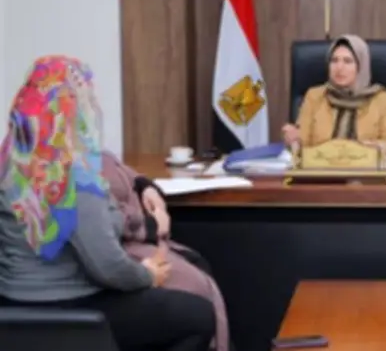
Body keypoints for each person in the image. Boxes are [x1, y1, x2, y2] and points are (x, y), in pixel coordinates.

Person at [0, 56, 215, 351]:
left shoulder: (10, 164)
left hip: (12, 305)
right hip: (72, 306)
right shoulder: (73, 175)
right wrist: (147, 275)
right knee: (198, 316)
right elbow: (107, 266)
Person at [103, 150, 231, 351]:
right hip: (124, 249)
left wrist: (147, 187)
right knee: (195, 288)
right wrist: (151, 225)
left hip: (141, 244)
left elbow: (126, 171)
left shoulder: (94, 152)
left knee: (197, 267)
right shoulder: (74, 169)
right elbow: (108, 223)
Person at [281, 34, 386, 154]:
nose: (339, 68)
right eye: (334, 60)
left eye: (348, 61)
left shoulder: (382, 99)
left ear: (361, 66)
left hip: (364, 166)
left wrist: (377, 146)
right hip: (322, 166)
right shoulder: (314, 96)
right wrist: (294, 140)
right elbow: (302, 143)